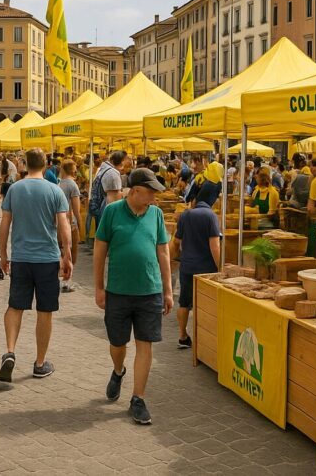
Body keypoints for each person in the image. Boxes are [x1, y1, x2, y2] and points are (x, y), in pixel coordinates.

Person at [93, 168, 173, 425]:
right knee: (117, 344)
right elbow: (99, 251)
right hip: (118, 290)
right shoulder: (112, 212)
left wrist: (168, 290)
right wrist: (98, 287)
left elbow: (163, 253)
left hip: (149, 291)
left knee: (145, 344)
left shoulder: (157, 214)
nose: (154, 197)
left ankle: (138, 398)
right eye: (150, 192)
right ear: (135, 190)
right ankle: (118, 371)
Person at [0, 149, 72, 382]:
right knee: (45, 311)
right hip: (47, 258)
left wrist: (3, 254)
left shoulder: (15, 189)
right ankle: (40, 363)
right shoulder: (54, 190)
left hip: (21, 257)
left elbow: (4, 225)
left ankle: (10, 350)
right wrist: (66, 254)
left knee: (15, 306)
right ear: (47, 164)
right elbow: (64, 226)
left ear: (25, 164)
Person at [170, 197, 221, 349]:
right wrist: (221, 268)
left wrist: (172, 260)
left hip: (187, 266)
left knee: (184, 302)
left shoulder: (185, 215)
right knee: (207, 304)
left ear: (193, 200)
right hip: (206, 269)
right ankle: (206, 340)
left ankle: (182, 336)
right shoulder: (211, 216)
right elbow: (215, 246)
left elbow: (176, 242)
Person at [57, 159, 82, 292]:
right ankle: (66, 283)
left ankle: (61, 280)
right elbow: (76, 209)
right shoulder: (73, 185)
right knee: (71, 254)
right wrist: (80, 224)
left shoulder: (59, 183)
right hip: (69, 223)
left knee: (61, 252)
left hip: (58, 223)